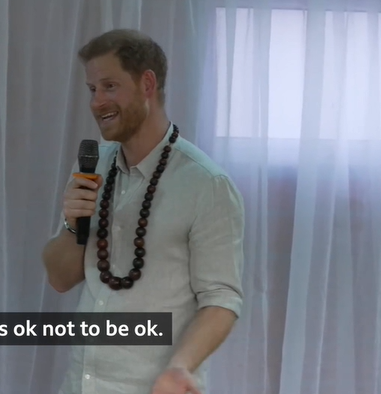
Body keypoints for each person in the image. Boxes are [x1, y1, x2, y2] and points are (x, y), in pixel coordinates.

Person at [41, 29, 245, 394]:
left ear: (147, 83)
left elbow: (221, 298)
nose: (97, 102)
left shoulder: (206, 184)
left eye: (109, 86)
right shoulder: (92, 167)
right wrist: (73, 226)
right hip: (80, 384)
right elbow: (59, 279)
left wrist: (180, 368)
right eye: (92, 89)